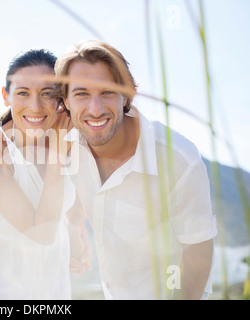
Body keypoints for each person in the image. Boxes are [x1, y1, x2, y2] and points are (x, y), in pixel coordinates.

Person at [55, 40, 217, 300]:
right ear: (66, 102)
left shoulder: (177, 159)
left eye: (107, 92)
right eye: (81, 94)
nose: (95, 110)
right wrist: (74, 224)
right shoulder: (68, 145)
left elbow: (197, 252)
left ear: (126, 94)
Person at [0, 48, 86, 299]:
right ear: (6, 96)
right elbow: (41, 233)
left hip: (52, 271)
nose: (35, 106)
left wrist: (75, 229)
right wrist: (58, 155)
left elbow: (79, 186)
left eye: (47, 94)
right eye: (22, 93)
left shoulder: (69, 131)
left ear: (61, 98)